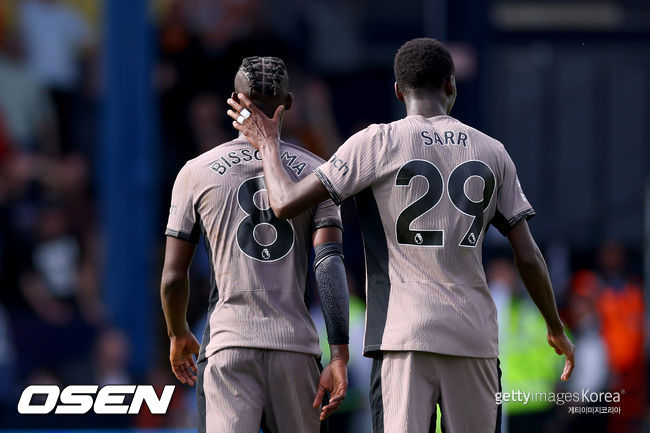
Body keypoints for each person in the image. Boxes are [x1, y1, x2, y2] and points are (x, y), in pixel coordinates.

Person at [227, 38, 575, 433]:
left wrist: (269, 143)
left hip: (402, 338)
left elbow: (285, 202)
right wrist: (555, 328)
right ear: (450, 86)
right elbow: (527, 256)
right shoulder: (492, 151)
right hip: (474, 340)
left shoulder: (376, 142)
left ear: (397, 90)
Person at [161, 56, 350, 433]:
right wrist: (339, 353)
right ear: (289, 104)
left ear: (235, 100)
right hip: (295, 348)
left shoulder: (195, 173)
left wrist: (178, 332)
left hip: (229, 345)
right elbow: (329, 265)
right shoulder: (319, 173)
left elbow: (172, 277)